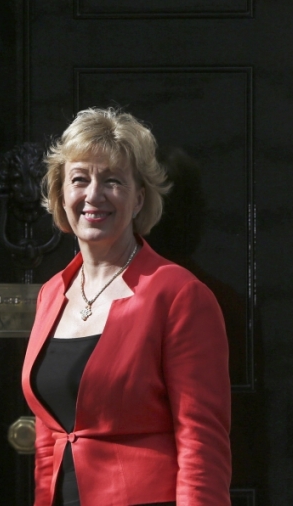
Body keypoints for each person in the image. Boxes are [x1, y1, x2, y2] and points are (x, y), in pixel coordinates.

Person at [21, 108, 232, 506]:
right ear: (61, 194)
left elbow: (201, 441)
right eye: (79, 179)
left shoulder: (179, 295)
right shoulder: (52, 293)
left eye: (112, 181)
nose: (93, 195)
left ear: (138, 199)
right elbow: (49, 437)